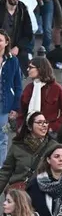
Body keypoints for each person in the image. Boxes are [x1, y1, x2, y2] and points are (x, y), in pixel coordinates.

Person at [0, 111, 57, 193]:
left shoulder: (53, 147)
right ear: (30, 127)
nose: (44, 125)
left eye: (45, 122)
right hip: (19, 195)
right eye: (39, 123)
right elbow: (5, 172)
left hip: (42, 195)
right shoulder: (17, 146)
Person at [17, 57, 62, 134]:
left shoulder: (56, 88)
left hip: (48, 133)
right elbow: (21, 111)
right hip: (28, 131)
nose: (27, 70)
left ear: (40, 69)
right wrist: (20, 126)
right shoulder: (29, 88)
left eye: (31, 67)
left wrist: (53, 127)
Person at [0, 0, 32, 73]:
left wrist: (18, 47)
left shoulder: (22, 9)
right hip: (1, 47)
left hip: (17, 49)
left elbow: (28, 34)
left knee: (18, 75)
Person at [0, 30, 21, 165]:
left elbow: (18, 85)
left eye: (0, 40)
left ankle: (1, 168)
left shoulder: (13, 60)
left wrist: (15, 107)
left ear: (6, 42)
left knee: (3, 137)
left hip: (5, 105)